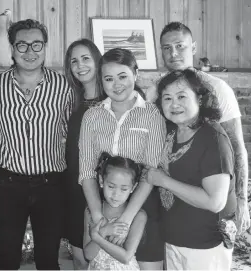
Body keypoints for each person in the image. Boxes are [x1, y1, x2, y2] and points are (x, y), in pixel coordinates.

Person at [0, 19, 75, 270]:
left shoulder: (62, 86)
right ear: (12, 49)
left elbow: (73, 129)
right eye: (21, 45)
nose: (30, 52)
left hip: (51, 184)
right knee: (7, 259)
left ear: (45, 48)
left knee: (48, 259)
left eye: (37, 45)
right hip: (9, 184)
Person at [79, 48, 166, 270]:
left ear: (135, 75)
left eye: (123, 76)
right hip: (105, 202)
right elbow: (87, 172)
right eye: (109, 78)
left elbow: (150, 172)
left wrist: (126, 220)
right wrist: (99, 218)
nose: (116, 84)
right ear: (101, 81)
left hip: (142, 206)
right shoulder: (92, 116)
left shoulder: (152, 114)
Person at [159, 21, 249, 235]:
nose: (173, 53)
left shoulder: (217, 88)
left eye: (180, 46)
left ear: (194, 48)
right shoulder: (157, 89)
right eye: (166, 48)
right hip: (173, 198)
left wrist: (242, 200)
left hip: (215, 196)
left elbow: (237, 147)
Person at [145, 68, 236, 270]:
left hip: (205, 246)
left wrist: (163, 181)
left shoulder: (213, 138)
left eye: (181, 96)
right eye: (167, 98)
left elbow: (215, 202)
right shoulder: (170, 131)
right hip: (172, 240)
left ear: (200, 99)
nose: (174, 104)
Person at [62, 38, 105, 270]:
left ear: (98, 60)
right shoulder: (74, 101)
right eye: (74, 61)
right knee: (79, 257)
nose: (80, 66)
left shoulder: (113, 99)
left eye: (86, 58)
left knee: (102, 258)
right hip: (74, 189)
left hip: (104, 191)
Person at [84, 153, 146, 270]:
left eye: (124, 189)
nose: (116, 194)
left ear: (133, 187)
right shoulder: (90, 211)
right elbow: (88, 255)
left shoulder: (138, 216)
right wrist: (104, 231)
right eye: (111, 186)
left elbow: (126, 257)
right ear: (102, 181)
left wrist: (98, 237)